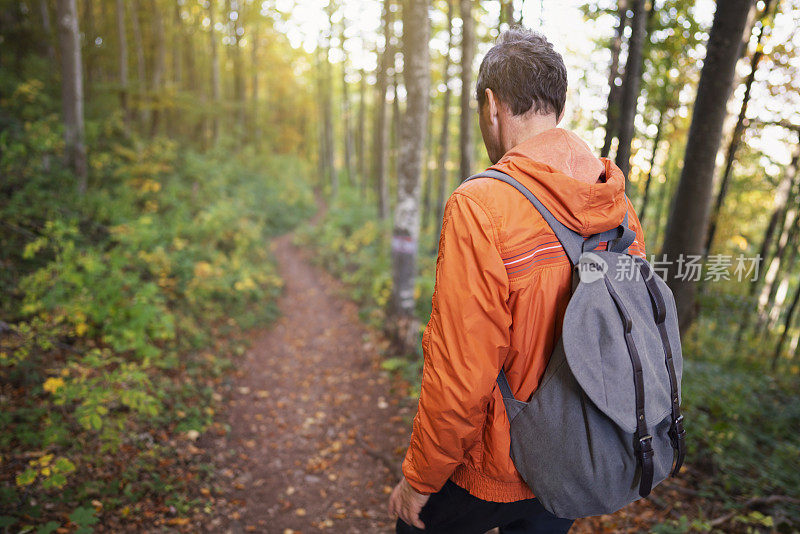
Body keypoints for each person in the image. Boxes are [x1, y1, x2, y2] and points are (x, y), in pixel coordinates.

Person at [387, 28, 648, 534]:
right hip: (574, 461)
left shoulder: (481, 205)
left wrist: (419, 479)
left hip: (492, 467)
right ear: (559, 103)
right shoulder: (614, 205)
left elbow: (461, 373)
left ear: (491, 105)